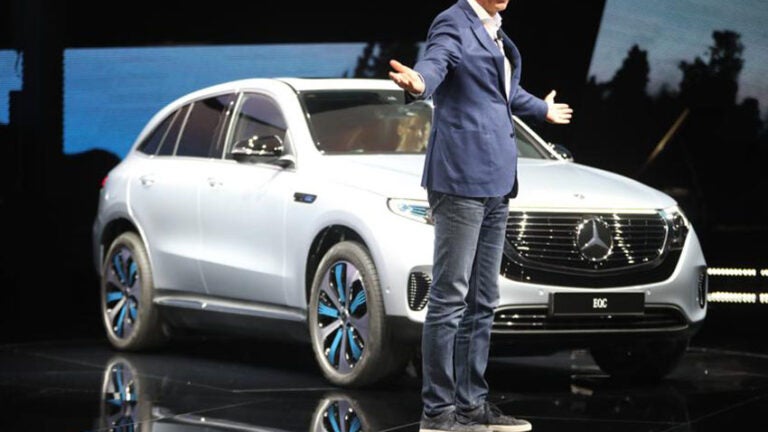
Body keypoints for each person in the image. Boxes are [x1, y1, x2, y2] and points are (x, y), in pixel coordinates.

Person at [388, 0, 573, 431]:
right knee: (450, 297)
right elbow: (436, 64)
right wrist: (419, 82)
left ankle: (472, 406)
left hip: (497, 179)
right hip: (459, 178)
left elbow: (501, 93)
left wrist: (541, 110)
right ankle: (438, 413)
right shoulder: (453, 22)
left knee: (483, 299)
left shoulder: (494, 29)